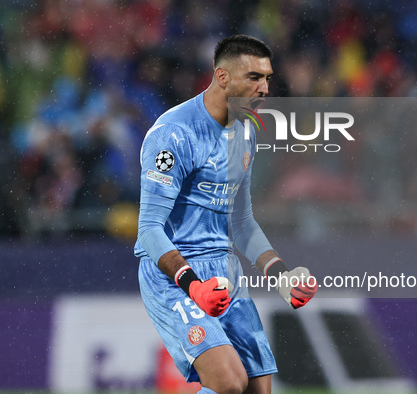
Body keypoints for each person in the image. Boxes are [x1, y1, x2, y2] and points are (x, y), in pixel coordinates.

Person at [134, 34, 318, 394]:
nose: (265, 89)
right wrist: (193, 286)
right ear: (222, 77)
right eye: (254, 78)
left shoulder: (245, 132)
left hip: (224, 271)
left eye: (267, 78)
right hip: (174, 275)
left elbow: (242, 223)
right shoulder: (174, 134)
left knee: (258, 389)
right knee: (229, 384)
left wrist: (280, 275)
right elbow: (149, 230)